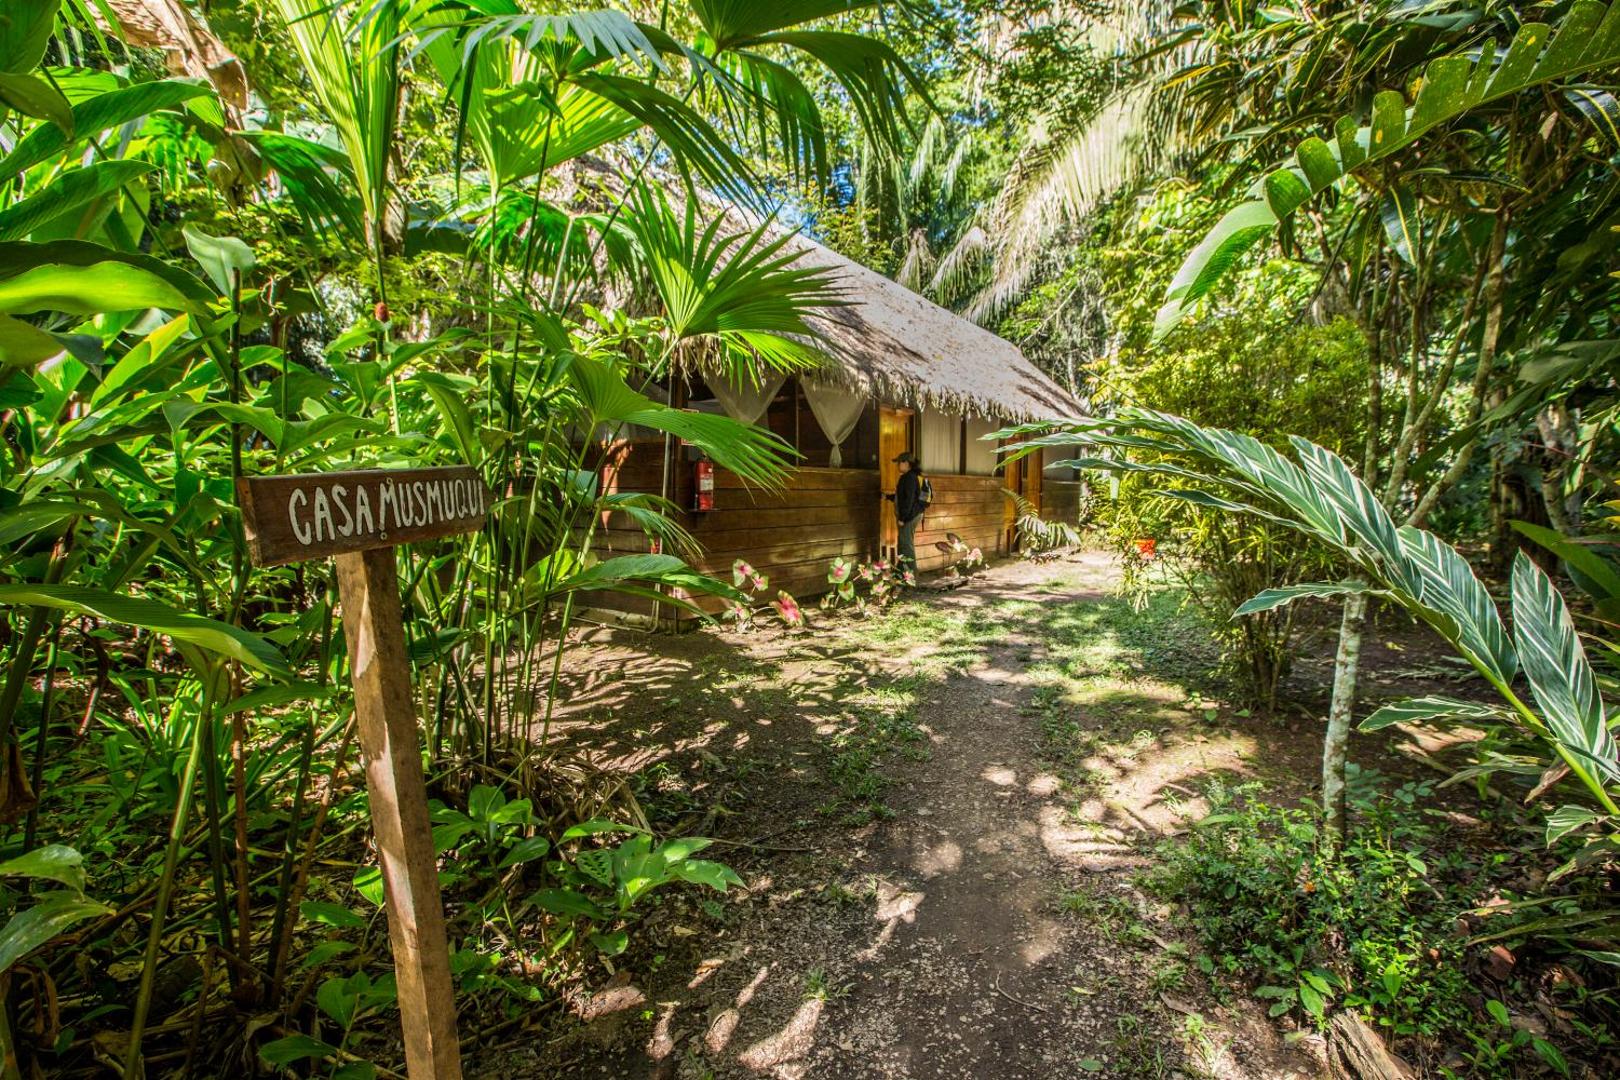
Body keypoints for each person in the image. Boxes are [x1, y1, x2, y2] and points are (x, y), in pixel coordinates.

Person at [885, 452, 926, 577]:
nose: (898, 465)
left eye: (899, 462)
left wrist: (903, 518)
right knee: (904, 543)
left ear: (906, 463)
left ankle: (911, 577)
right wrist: (888, 496)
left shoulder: (908, 477)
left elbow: (908, 500)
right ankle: (901, 572)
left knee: (906, 545)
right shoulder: (914, 476)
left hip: (909, 516)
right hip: (914, 514)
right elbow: (904, 498)